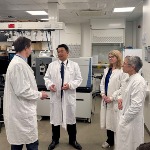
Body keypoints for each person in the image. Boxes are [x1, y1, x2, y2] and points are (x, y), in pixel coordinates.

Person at [3, 36, 48, 150]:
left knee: (18, 143)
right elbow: (22, 90)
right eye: (31, 47)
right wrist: (39, 94)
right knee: (30, 144)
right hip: (21, 113)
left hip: (20, 111)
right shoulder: (18, 65)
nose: (31, 50)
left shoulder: (19, 63)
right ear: (26, 48)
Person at [44, 44, 83, 150]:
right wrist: (49, 84)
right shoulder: (52, 65)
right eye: (58, 51)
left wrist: (70, 85)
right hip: (56, 97)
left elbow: (79, 79)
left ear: (67, 52)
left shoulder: (74, 65)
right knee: (55, 119)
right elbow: (46, 77)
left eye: (62, 51)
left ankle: (73, 140)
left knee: (71, 119)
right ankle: (54, 140)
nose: (59, 53)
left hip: (68, 97)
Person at [116, 56, 146, 150]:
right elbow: (124, 92)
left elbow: (136, 106)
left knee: (131, 145)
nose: (122, 65)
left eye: (124, 63)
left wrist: (124, 120)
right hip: (126, 119)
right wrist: (120, 99)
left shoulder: (138, 82)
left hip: (131, 122)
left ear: (132, 67)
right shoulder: (129, 78)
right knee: (124, 144)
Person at [100, 50, 128, 148]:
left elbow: (123, 87)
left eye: (112, 56)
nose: (110, 58)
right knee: (109, 122)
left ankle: (117, 141)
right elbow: (103, 83)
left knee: (116, 122)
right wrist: (103, 94)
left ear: (118, 58)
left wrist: (112, 97)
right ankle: (109, 140)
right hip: (106, 100)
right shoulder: (107, 69)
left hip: (115, 101)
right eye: (109, 56)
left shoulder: (122, 71)